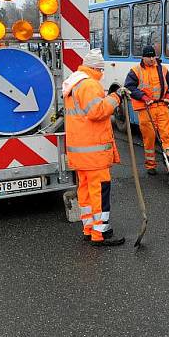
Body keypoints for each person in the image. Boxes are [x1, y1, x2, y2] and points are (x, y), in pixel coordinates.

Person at [61, 48, 125, 246]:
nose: (102, 74)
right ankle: (100, 233)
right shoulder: (90, 85)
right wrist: (115, 98)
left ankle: (89, 228)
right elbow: (97, 112)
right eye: (101, 70)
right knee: (99, 191)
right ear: (97, 68)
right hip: (94, 153)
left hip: (81, 153)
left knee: (86, 192)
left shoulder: (74, 83)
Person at [124, 45, 169, 175]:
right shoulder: (135, 71)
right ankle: (150, 165)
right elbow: (129, 87)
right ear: (143, 57)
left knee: (167, 137)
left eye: (154, 56)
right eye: (149, 57)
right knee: (149, 138)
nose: (152, 59)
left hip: (162, 106)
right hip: (146, 109)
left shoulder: (162, 69)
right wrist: (144, 97)